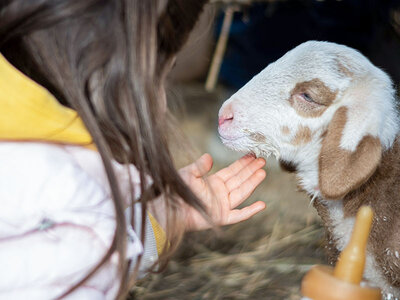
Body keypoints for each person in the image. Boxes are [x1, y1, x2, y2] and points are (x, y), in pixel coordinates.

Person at [0, 1, 267, 299]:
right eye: (162, 74)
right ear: (120, 78)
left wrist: (169, 215)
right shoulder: (74, 212)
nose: (163, 99)